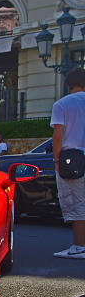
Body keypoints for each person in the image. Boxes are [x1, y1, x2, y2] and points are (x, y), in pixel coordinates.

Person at [50, 67, 85, 259]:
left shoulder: (62, 104)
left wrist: (56, 160)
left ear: (68, 84)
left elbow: (58, 135)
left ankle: (79, 246)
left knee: (77, 203)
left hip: (73, 159)